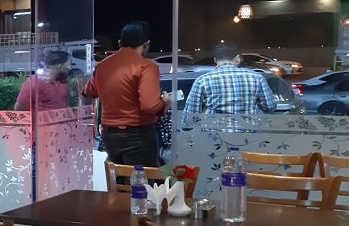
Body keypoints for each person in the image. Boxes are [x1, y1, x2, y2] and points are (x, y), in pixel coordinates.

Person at [82, 21, 172, 167]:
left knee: (118, 178)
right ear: (146, 44)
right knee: (142, 179)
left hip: (109, 134)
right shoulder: (146, 66)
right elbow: (150, 106)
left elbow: (88, 91)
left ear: (120, 43)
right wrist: (166, 103)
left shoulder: (102, 66)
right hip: (138, 134)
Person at [184, 41, 277, 115]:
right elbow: (270, 107)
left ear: (215, 60)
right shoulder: (257, 78)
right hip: (249, 133)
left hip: (214, 133)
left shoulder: (202, 81)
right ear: (238, 58)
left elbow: (190, 116)